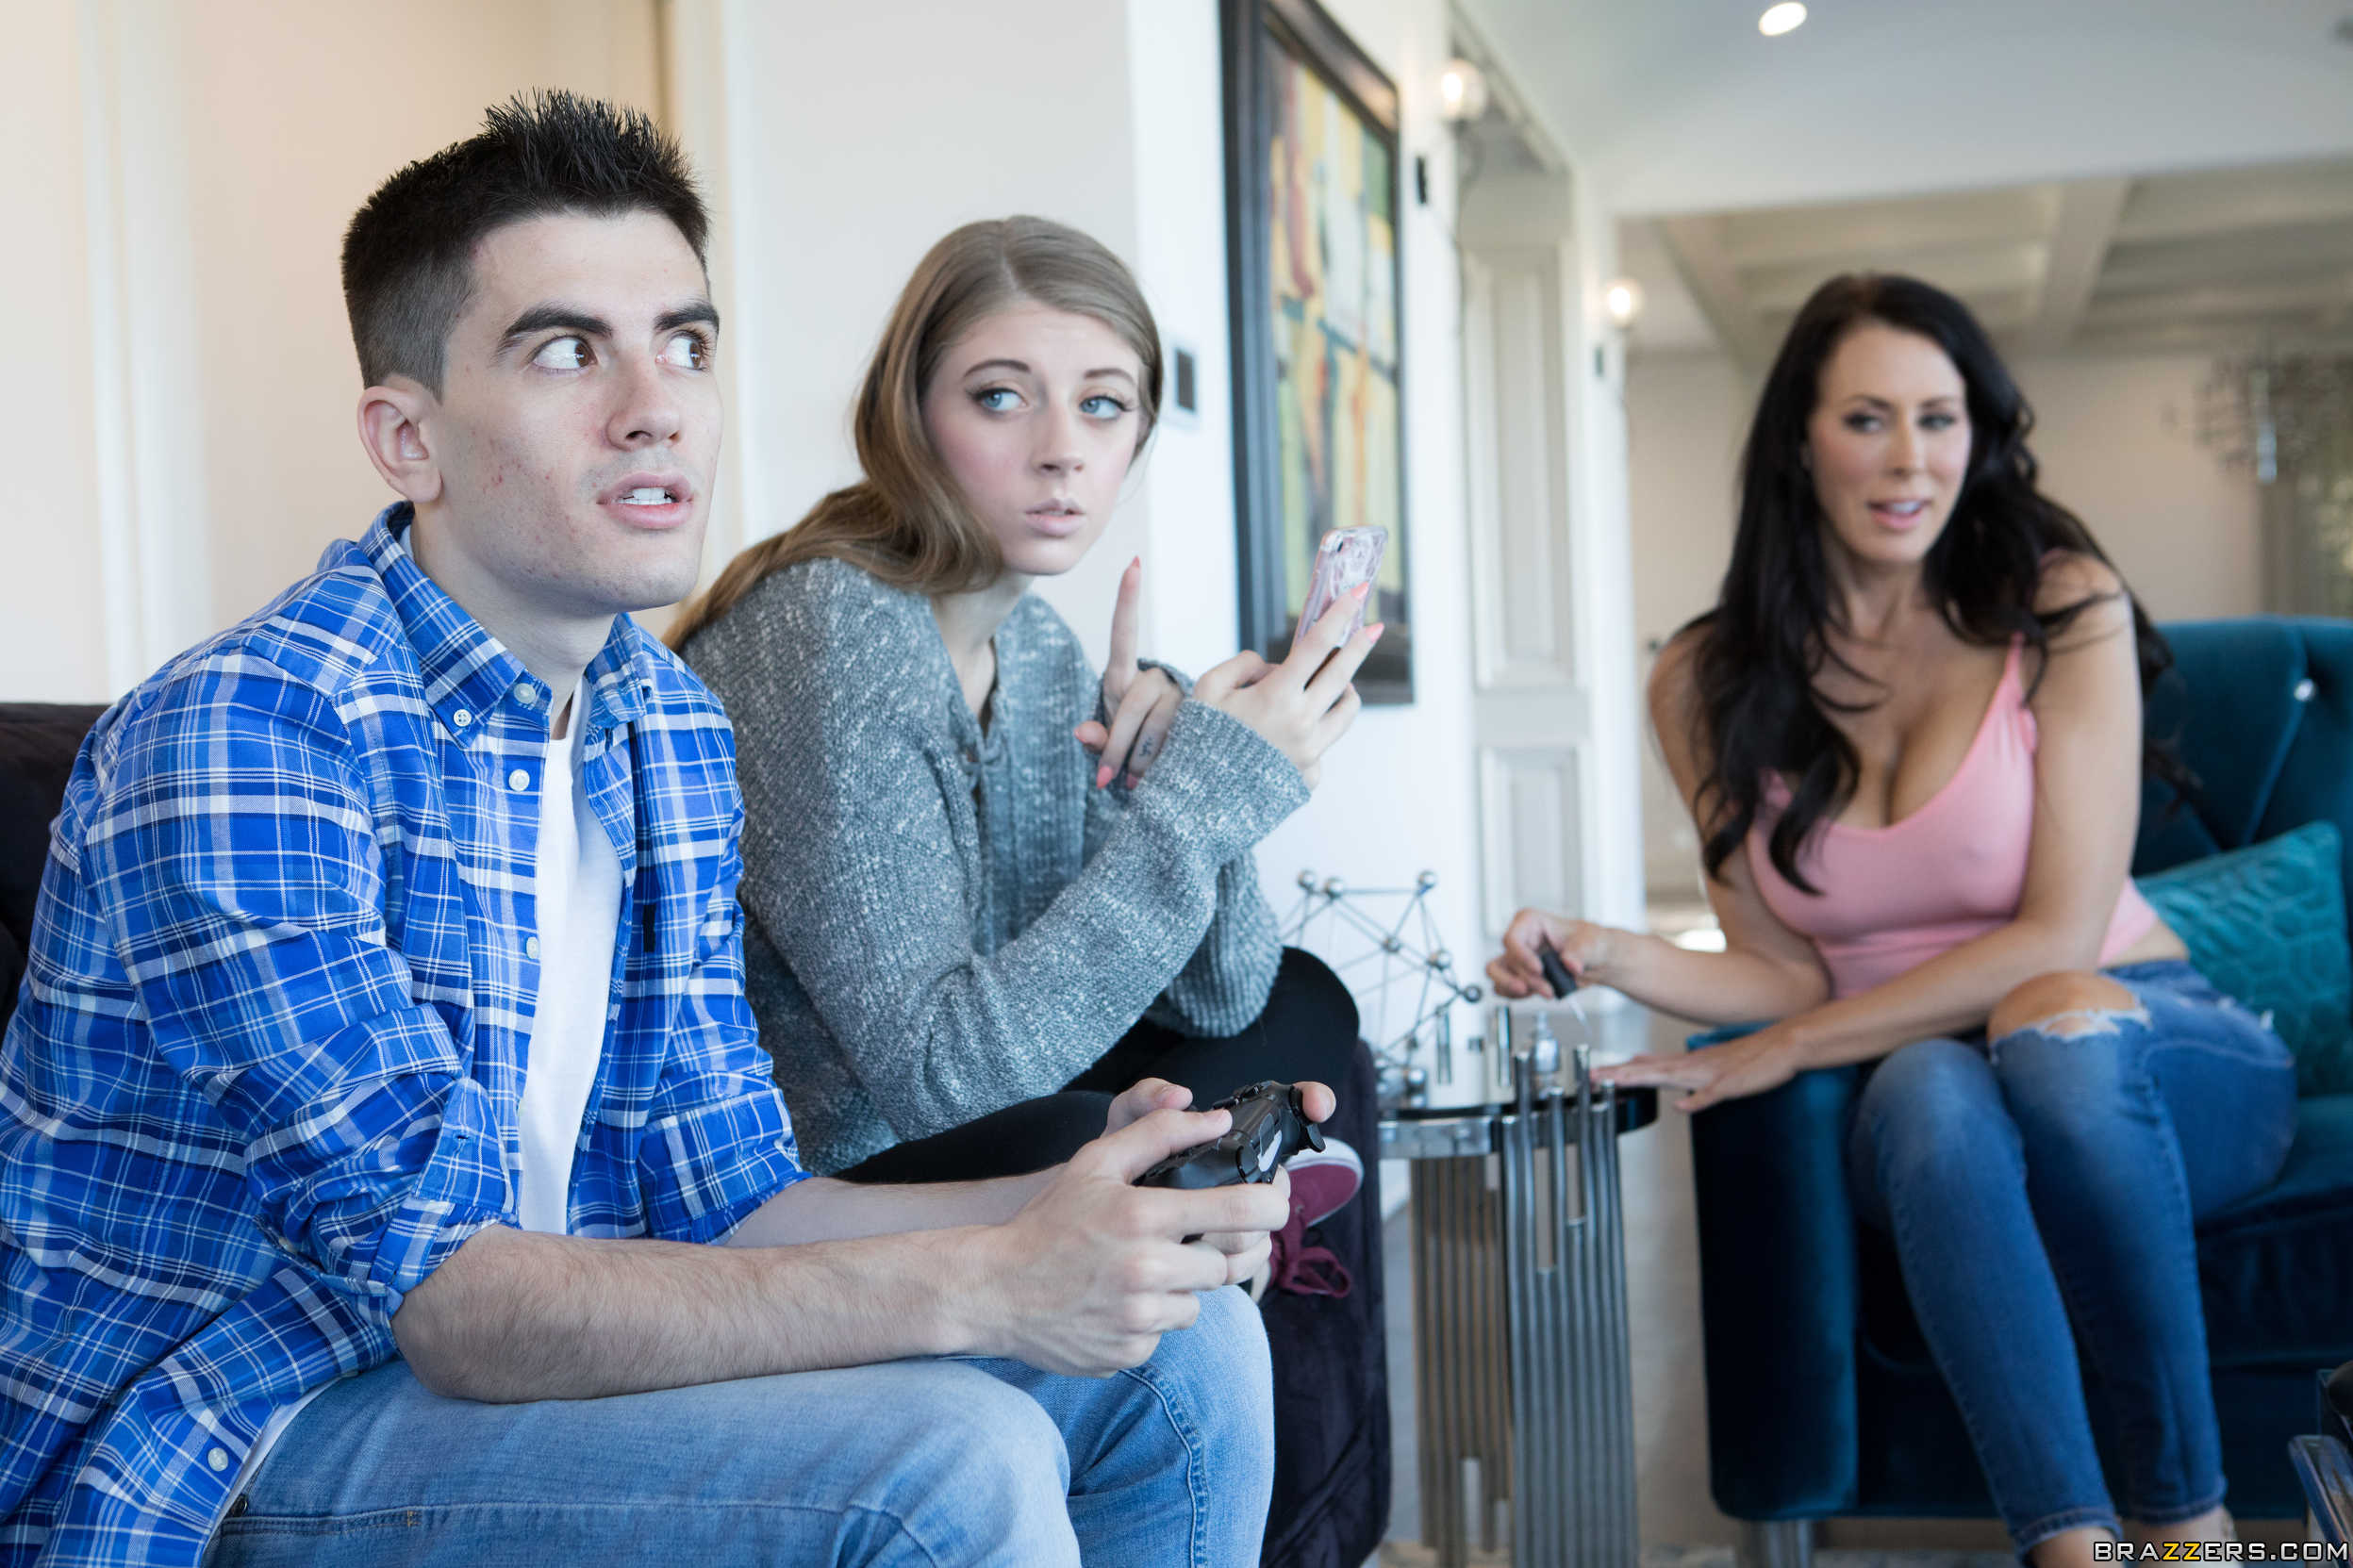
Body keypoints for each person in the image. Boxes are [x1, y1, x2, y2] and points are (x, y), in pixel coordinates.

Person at [0, 93, 1319, 1568]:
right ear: (407, 437)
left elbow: (724, 1201)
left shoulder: (663, 722)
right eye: (566, 350)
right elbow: (453, 1304)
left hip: (531, 1349)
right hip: (234, 1429)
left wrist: (1079, 1202)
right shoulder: (253, 733)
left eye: (684, 344)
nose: (656, 406)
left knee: (1181, 1348)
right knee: (950, 1457)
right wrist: (990, 1277)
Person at [1487, 273, 2295, 1564]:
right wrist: (1604, 951)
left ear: (1977, 433)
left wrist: (1796, 1047)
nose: (1909, 457)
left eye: (1938, 417)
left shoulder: (2057, 605)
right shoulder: (1703, 677)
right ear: (1799, 442)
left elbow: (2055, 935)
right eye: (1866, 418)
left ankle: (2185, 1529)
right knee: (1922, 1089)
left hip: (2138, 1050)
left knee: (2045, 1027)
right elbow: (1780, 968)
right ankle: (2071, 1549)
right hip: (1925, 1081)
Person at [669, 217, 1370, 1292]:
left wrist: (1177, 778)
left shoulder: (1036, 648)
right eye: (1000, 396)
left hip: (971, 1097)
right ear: (910, 416)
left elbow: (1223, 998)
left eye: (1103, 404)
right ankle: (1228, 1218)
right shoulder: (832, 638)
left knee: (1303, 1003)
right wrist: (1200, 806)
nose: (1061, 449)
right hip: (826, 1172)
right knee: (1096, 1137)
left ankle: (1221, 1215)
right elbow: (938, 1080)